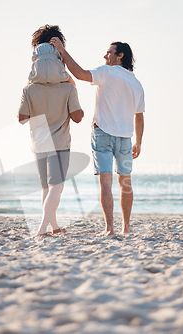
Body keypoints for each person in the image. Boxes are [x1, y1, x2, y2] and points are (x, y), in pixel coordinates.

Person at [50, 38, 145, 235]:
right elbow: (139, 117)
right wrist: (139, 142)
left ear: (120, 56)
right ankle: (125, 228)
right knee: (125, 182)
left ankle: (109, 229)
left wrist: (61, 50)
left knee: (106, 183)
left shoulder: (106, 72)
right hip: (126, 138)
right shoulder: (136, 83)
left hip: (102, 134)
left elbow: (79, 73)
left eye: (109, 52)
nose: (105, 55)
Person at [18, 25, 84, 236]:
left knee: (46, 188)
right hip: (60, 143)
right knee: (57, 186)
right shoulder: (67, 86)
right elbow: (77, 117)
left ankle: (54, 227)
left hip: (38, 143)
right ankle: (41, 229)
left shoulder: (29, 88)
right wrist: (72, 90)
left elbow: (21, 118)